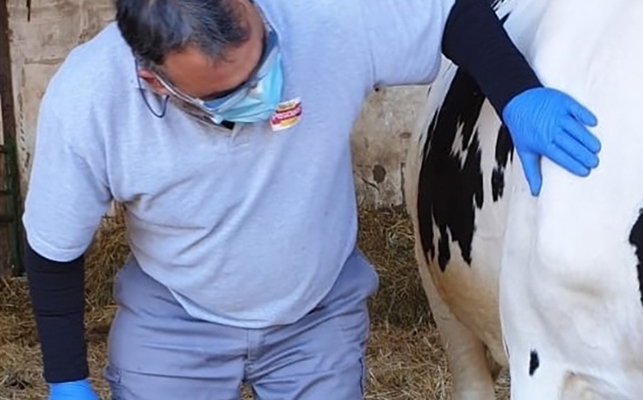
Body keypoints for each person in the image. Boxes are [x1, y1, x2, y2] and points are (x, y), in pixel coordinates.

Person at [22, 0, 602, 399]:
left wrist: (518, 93)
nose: (263, 90)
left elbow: (450, 12)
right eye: (234, 93)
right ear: (154, 80)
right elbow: (53, 248)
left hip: (315, 310)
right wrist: (66, 377)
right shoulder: (90, 100)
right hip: (176, 315)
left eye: (265, 58)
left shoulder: (317, 14)